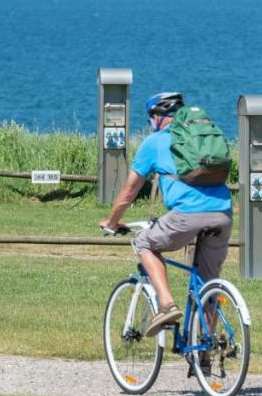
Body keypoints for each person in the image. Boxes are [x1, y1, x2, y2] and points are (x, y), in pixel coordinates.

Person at [99, 92, 233, 336]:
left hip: (186, 214)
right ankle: (204, 356)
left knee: (144, 243)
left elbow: (129, 191)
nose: (150, 124)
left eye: (151, 118)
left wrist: (112, 221)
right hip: (223, 213)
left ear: (158, 117)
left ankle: (167, 305)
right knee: (207, 285)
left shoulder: (154, 142)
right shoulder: (198, 139)